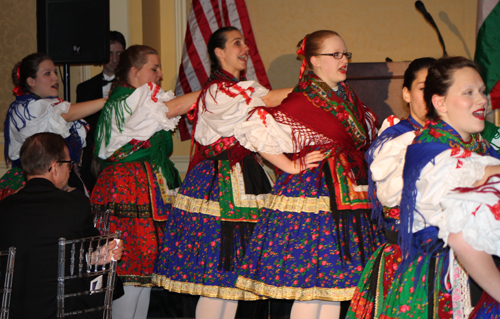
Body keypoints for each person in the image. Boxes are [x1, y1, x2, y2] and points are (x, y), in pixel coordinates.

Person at [152, 26, 308, 319]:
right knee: (216, 280)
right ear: (219, 52)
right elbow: (270, 100)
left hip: (248, 179)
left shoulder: (244, 89)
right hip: (218, 186)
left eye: (245, 41)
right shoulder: (216, 92)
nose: (245, 47)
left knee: (233, 284)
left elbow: (270, 102)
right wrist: (313, 86)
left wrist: (311, 90)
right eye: (238, 43)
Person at [233, 30, 380, 319]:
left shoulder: (348, 97)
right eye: (335, 54)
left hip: (349, 192)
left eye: (345, 54)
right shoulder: (302, 99)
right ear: (314, 60)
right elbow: (255, 128)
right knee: (309, 287)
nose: (343, 60)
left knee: (333, 289)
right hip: (313, 194)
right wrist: (290, 165)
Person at [366, 56, 500, 319]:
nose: (483, 100)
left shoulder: (480, 145)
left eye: (482, 91)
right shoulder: (427, 151)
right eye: (469, 93)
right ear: (439, 102)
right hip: (442, 283)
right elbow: (461, 233)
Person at [90, 44, 198, 319]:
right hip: (126, 189)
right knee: (127, 270)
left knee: (143, 273)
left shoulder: (141, 99)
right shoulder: (131, 100)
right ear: (135, 71)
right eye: (154, 68)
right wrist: (216, 89)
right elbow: (172, 108)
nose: (160, 73)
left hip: (145, 187)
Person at [346, 57, 436, 318]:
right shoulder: (397, 137)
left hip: (448, 257)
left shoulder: (457, 137)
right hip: (407, 256)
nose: (432, 96)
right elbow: (388, 196)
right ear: (406, 93)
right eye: (423, 88)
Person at [0, 132, 124, 319]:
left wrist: (90, 258)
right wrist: (97, 255)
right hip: (62, 311)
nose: (70, 170)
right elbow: (82, 258)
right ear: (54, 167)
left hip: (10, 309)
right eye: (68, 164)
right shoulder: (75, 204)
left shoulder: (4, 207)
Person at [0, 52, 106, 199]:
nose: (55, 77)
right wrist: (107, 100)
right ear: (31, 81)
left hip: (61, 179)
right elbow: (65, 113)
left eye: (55, 72)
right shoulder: (26, 108)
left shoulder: (53, 107)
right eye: (47, 73)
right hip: (32, 183)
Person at [77, 31, 126, 192]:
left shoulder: (132, 88)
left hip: (122, 158)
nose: (114, 59)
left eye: (119, 54)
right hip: (92, 159)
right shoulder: (84, 88)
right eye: (110, 54)